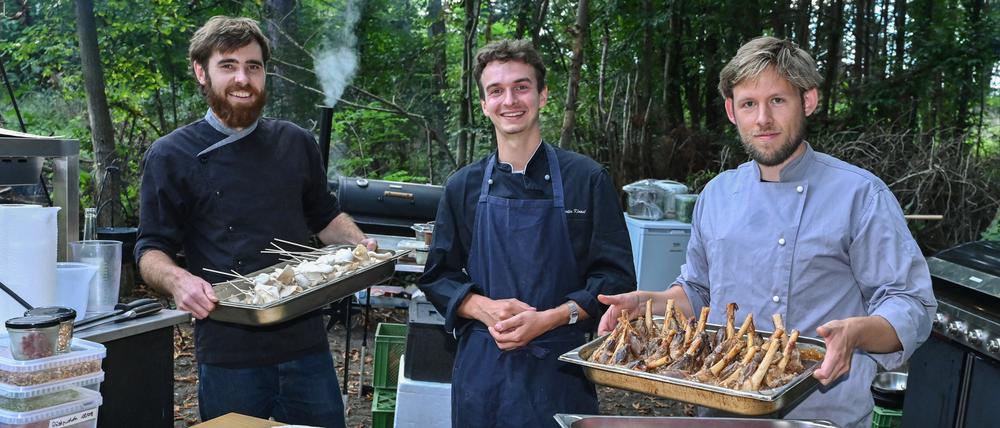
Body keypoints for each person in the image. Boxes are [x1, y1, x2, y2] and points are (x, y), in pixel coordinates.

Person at [598, 36, 936, 428]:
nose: (762, 119)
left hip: (825, 418)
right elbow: (698, 292)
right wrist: (647, 303)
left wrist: (857, 332)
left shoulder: (860, 195)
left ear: (807, 101)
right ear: (731, 111)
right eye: (749, 104)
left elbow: (910, 303)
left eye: (777, 100)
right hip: (722, 411)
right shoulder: (717, 194)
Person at [134, 16, 374, 427]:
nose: (243, 78)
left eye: (254, 66)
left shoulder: (295, 141)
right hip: (230, 350)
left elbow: (325, 216)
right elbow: (149, 248)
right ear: (200, 72)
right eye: (228, 65)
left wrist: (359, 248)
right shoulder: (171, 154)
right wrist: (179, 281)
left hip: (306, 344)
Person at [417, 39, 636, 427]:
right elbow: (439, 276)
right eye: (496, 91)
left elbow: (614, 279)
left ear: (543, 95)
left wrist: (551, 318)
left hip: (560, 371)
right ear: (484, 105)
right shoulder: (462, 187)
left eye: (521, 87)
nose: (510, 100)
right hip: (483, 374)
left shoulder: (587, 180)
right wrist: (485, 309)